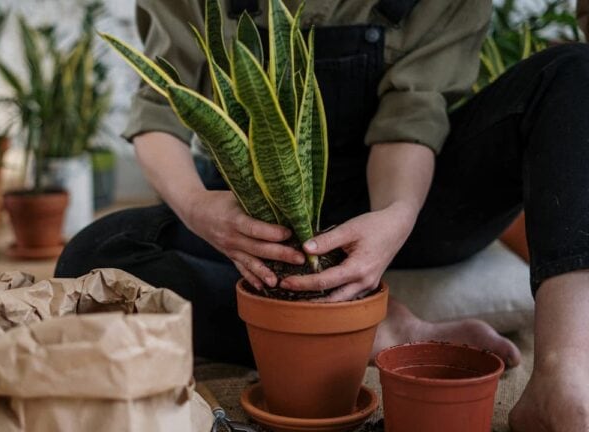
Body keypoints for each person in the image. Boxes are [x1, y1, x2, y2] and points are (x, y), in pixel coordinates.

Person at [56, 1, 589, 429]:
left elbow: (411, 116)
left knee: (572, 73)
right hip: (266, 216)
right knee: (94, 256)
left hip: (415, 203)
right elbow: (161, 110)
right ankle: (377, 332)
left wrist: (396, 217)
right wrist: (199, 209)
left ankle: (565, 374)